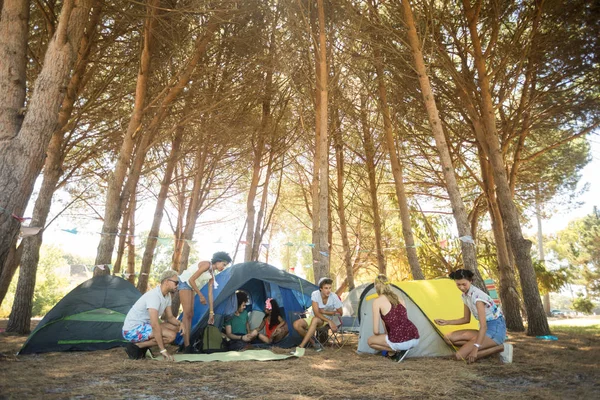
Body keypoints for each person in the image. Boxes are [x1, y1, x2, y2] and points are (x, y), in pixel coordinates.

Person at [434, 269, 513, 364]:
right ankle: (480, 347)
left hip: (495, 330)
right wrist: (446, 322)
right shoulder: (465, 296)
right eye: (458, 284)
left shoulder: (478, 297)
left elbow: (484, 326)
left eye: (464, 284)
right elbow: (466, 319)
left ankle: (501, 347)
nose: (461, 287)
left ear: (470, 281)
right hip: (484, 330)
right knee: (448, 338)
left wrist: (475, 349)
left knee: (459, 356)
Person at [178, 251, 232, 353]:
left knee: (190, 314)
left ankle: (187, 345)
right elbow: (191, 279)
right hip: (185, 283)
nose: (223, 267)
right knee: (187, 313)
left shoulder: (212, 274)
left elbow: (210, 294)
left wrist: (211, 312)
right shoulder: (206, 265)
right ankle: (186, 346)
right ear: (218, 261)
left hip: (192, 287)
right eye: (223, 264)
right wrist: (201, 295)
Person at [122, 270, 181, 361]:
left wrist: (181, 324)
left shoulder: (167, 296)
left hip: (145, 326)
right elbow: (154, 324)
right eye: (176, 283)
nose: (177, 285)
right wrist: (162, 350)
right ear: (166, 281)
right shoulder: (154, 296)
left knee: (176, 328)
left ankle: (140, 345)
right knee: (171, 336)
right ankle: (136, 346)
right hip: (132, 330)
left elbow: (170, 317)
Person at [367, 275, 420, 362]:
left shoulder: (377, 301)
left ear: (376, 286)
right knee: (392, 336)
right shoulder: (398, 298)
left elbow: (375, 331)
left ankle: (398, 351)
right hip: (414, 337)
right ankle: (399, 350)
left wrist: (381, 336)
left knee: (370, 341)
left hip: (399, 341)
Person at [292, 277, 343, 354]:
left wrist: (326, 312)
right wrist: (329, 320)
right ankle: (314, 343)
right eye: (326, 288)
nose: (328, 290)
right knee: (296, 324)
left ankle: (301, 346)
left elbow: (340, 313)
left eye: (330, 288)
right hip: (315, 317)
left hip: (325, 320)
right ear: (321, 289)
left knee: (315, 320)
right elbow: (316, 313)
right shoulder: (315, 294)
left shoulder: (334, 297)